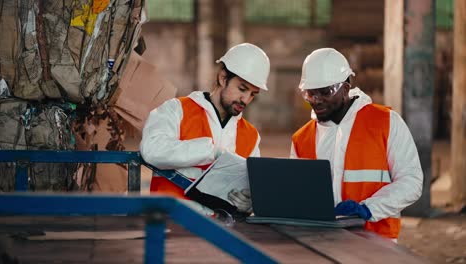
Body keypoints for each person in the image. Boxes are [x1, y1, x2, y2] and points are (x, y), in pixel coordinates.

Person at [291, 48, 423, 240]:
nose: (316, 100)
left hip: (377, 242)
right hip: (321, 241)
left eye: (324, 92)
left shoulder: (385, 122)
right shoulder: (302, 139)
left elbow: (411, 181)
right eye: (310, 94)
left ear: (345, 89)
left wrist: (368, 208)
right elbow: (296, 193)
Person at [140, 43, 270, 213]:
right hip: (171, 225)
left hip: (221, 233)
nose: (245, 100)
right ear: (223, 78)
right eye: (242, 89)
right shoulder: (176, 110)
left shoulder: (251, 135)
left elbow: (251, 185)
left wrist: (249, 204)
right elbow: (151, 150)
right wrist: (210, 151)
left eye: (253, 94)